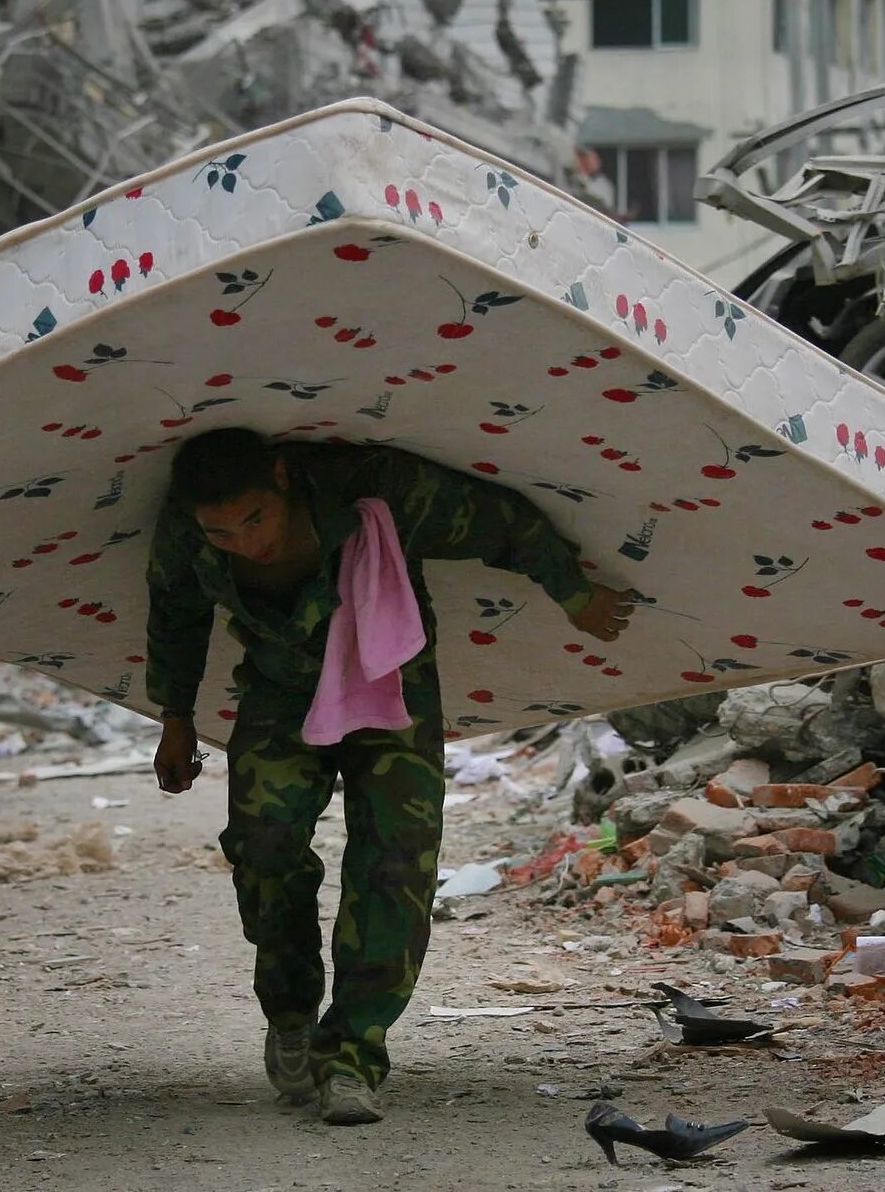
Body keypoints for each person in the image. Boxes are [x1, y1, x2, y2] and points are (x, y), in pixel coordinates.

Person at [145, 428, 635, 1126]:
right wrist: (175, 717)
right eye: (223, 534)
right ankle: (288, 1012)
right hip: (281, 691)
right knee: (263, 846)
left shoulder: (371, 489)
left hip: (390, 688)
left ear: (283, 478)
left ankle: (351, 1057)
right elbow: (175, 612)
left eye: (256, 520)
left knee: (396, 863)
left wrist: (573, 593)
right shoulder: (187, 531)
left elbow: (501, 522)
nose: (246, 544)